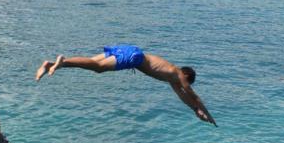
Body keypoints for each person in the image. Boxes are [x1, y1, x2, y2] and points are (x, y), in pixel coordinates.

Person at [36, 43, 217, 125]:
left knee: (93, 63)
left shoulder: (172, 77)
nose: (185, 85)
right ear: (187, 75)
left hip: (130, 50)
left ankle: (54, 64)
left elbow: (183, 97)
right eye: (188, 81)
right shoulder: (179, 75)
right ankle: (62, 61)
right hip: (134, 57)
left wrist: (195, 111)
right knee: (98, 67)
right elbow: (193, 96)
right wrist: (209, 115)